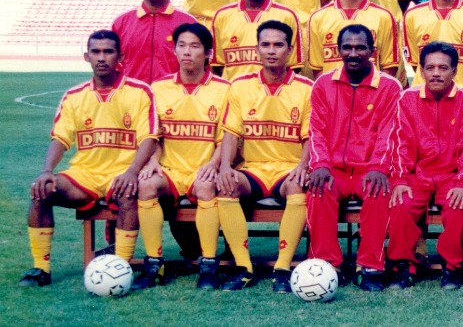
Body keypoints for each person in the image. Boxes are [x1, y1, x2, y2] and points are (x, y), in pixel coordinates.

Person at [20, 30, 158, 287]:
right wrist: (46, 170)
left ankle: (121, 267)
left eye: (108, 51)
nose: (102, 58)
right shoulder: (75, 95)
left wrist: (132, 171)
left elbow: (149, 137)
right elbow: (60, 138)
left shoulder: (140, 92)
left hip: (122, 173)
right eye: (96, 52)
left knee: (128, 192)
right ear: (87, 56)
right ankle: (40, 268)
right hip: (84, 175)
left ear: (121, 56)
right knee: (41, 190)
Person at [215, 20, 313, 292]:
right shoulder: (240, 86)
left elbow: (310, 137)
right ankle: (243, 267)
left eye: (278, 45)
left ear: (290, 50)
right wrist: (225, 167)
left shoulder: (306, 88)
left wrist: (303, 166)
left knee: (298, 187)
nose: (271, 51)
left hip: (288, 168)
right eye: (265, 45)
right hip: (253, 169)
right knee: (227, 185)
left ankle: (282, 268)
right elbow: (231, 133)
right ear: (257, 49)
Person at [133, 23, 231, 290]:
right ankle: (154, 264)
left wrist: (214, 163)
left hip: (203, 167)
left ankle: (208, 265)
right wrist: (153, 160)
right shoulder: (158, 87)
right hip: (170, 169)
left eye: (195, 46)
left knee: (207, 186)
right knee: (146, 185)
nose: (187, 52)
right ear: (175, 49)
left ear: (209, 53)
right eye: (182, 45)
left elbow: (228, 137)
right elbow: (154, 134)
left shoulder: (224, 89)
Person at [306, 24, 402, 291]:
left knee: (379, 190)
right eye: (347, 47)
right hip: (333, 168)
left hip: (369, 168)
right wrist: (321, 163)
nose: (353, 53)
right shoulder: (324, 83)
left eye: (360, 47)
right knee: (318, 189)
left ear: (372, 51)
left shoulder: (389, 86)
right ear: (339, 50)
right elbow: (316, 128)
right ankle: (327, 265)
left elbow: (390, 131)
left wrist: (379, 166)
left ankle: (370, 266)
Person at [385, 42, 463, 290]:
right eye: (430, 68)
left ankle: (452, 267)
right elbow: (400, 142)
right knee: (400, 204)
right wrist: (399, 180)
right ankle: (404, 265)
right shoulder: (407, 99)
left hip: (452, 175)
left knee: (458, 206)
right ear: (421, 70)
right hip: (418, 175)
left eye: (443, 68)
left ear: (454, 71)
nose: (436, 73)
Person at [307, 0, 400, 78]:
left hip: (370, 95)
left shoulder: (383, 17)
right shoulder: (318, 18)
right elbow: (318, 70)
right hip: (334, 95)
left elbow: (389, 68)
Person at [211, 0, 303, 80]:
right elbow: (218, 65)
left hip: (271, 95)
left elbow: (293, 65)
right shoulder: (222, 15)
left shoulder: (287, 15)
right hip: (234, 94)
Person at [111, 0, 197, 83]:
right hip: (133, 98)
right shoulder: (121, 23)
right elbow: (113, 66)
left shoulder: (188, 22)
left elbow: (198, 66)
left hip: (172, 98)